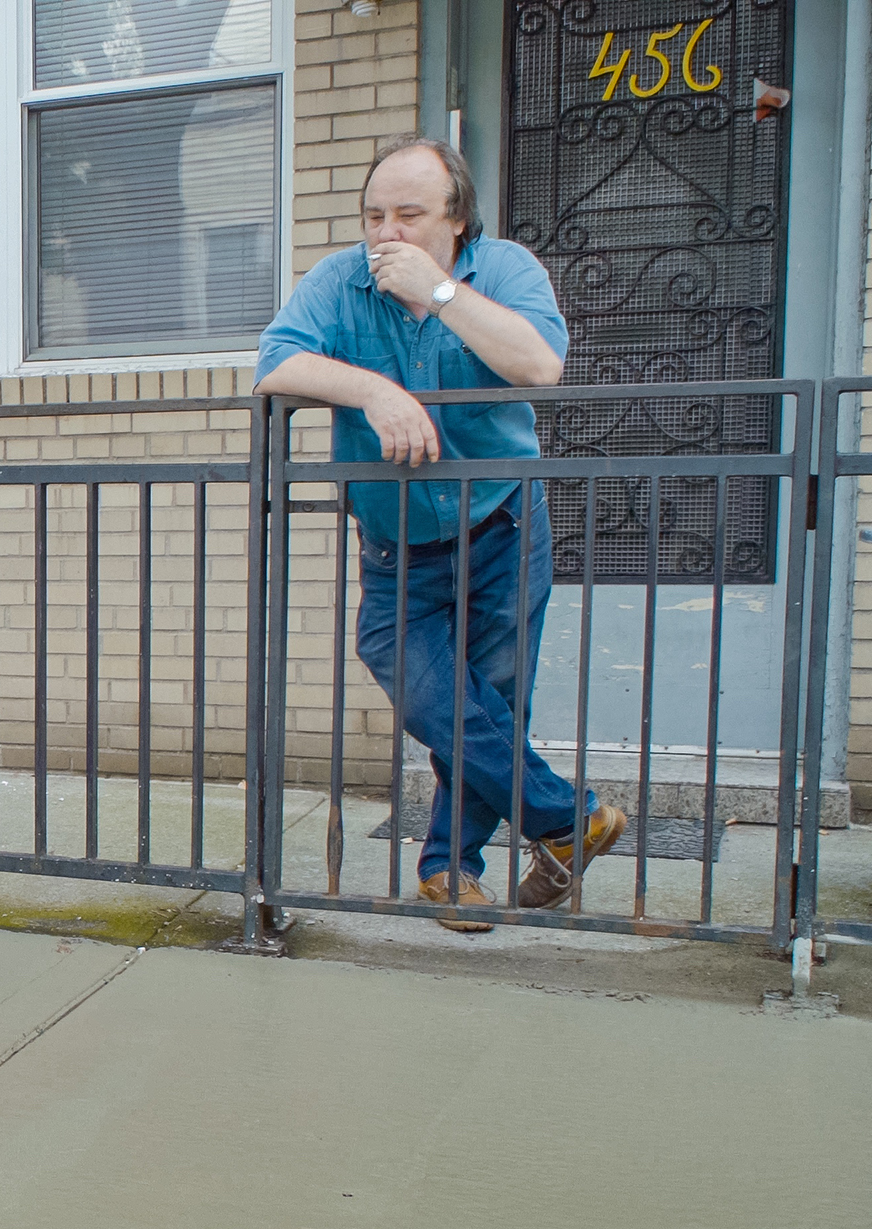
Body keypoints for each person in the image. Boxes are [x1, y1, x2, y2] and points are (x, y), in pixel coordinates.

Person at [253, 134, 624, 932]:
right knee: (419, 678)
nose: (388, 233)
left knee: (491, 702)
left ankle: (450, 872)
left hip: (502, 520)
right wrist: (374, 392)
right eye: (375, 215)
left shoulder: (507, 271)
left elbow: (540, 366)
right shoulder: (340, 280)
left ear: (458, 220)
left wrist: (444, 293)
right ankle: (567, 819)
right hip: (396, 539)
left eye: (410, 215)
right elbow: (277, 362)